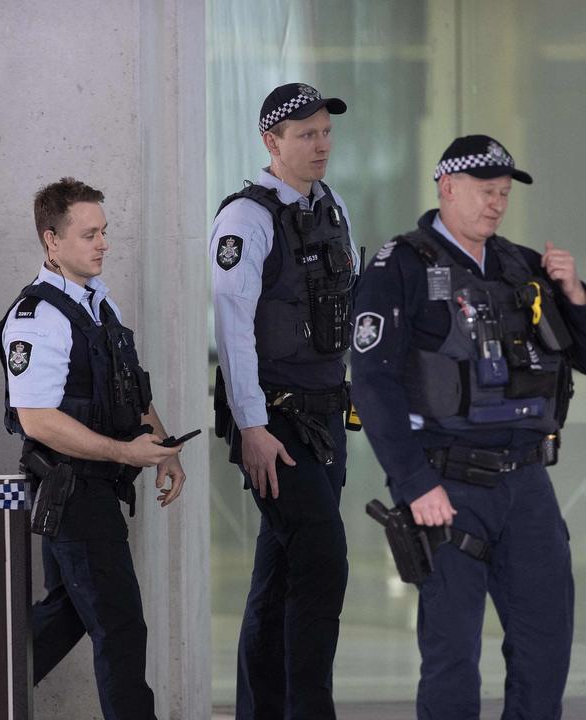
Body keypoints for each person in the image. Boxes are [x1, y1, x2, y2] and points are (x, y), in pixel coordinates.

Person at [350, 134, 586, 719]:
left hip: (526, 486)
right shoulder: (400, 267)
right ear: (447, 188)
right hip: (446, 486)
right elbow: (372, 382)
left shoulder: (524, 266)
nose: (496, 204)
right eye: (484, 191)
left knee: (546, 645)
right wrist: (413, 483)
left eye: (503, 193)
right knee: (452, 654)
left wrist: (575, 292)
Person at [0, 177, 188, 720]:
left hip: (96, 487)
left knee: (69, 614)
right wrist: (126, 454)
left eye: (104, 231)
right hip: (72, 489)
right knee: (120, 625)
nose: (103, 243)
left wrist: (163, 446)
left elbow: (129, 387)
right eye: (88, 234)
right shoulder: (37, 320)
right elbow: (37, 420)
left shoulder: (97, 302)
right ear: (51, 241)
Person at [210, 81, 358, 719]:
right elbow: (232, 329)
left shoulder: (332, 203)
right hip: (274, 422)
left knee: (280, 575)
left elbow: (346, 308)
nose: (321, 145)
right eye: (306, 135)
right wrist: (251, 427)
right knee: (323, 561)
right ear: (271, 142)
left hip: (327, 412)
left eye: (325, 131)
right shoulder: (245, 218)